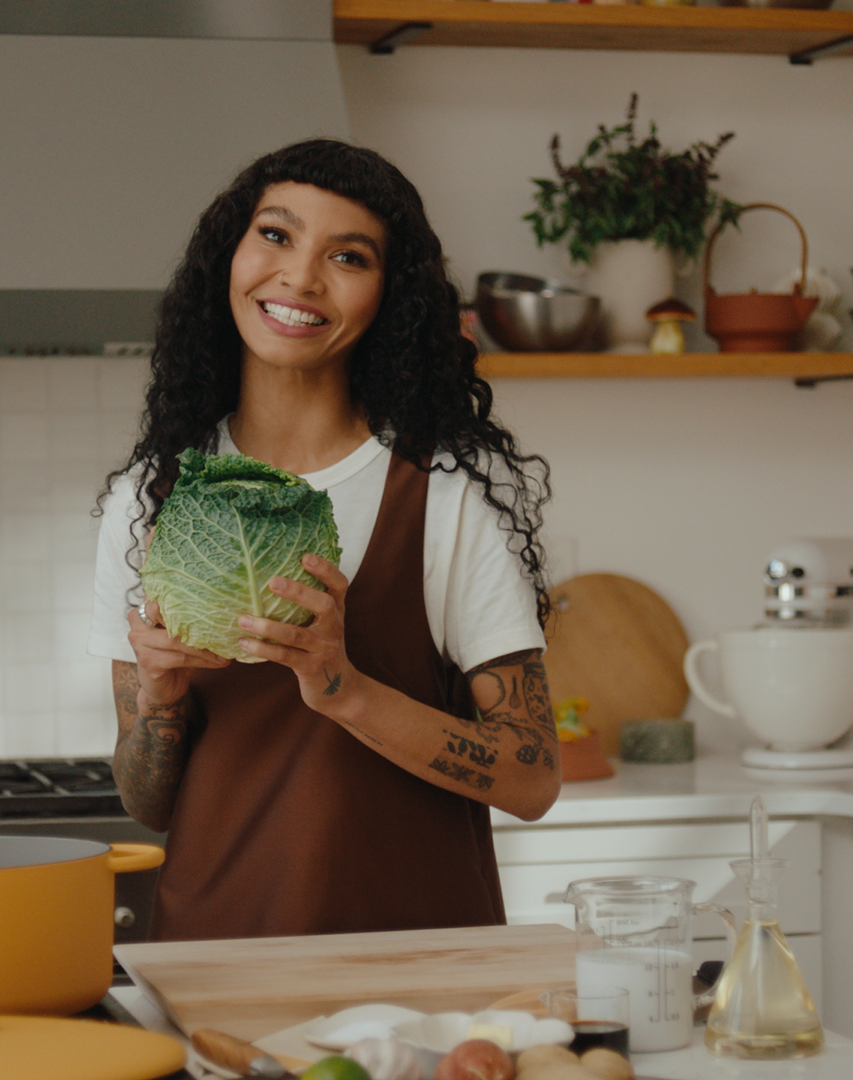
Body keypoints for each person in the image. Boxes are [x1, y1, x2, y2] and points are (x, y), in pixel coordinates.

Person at [88, 138, 558, 941]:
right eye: (275, 235)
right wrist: (159, 706)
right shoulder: (152, 498)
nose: (300, 278)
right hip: (215, 960)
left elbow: (531, 777)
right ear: (227, 258)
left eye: (347, 256)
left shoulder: (443, 494)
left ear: (389, 297)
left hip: (419, 972)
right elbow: (149, 801)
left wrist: (345, 688)